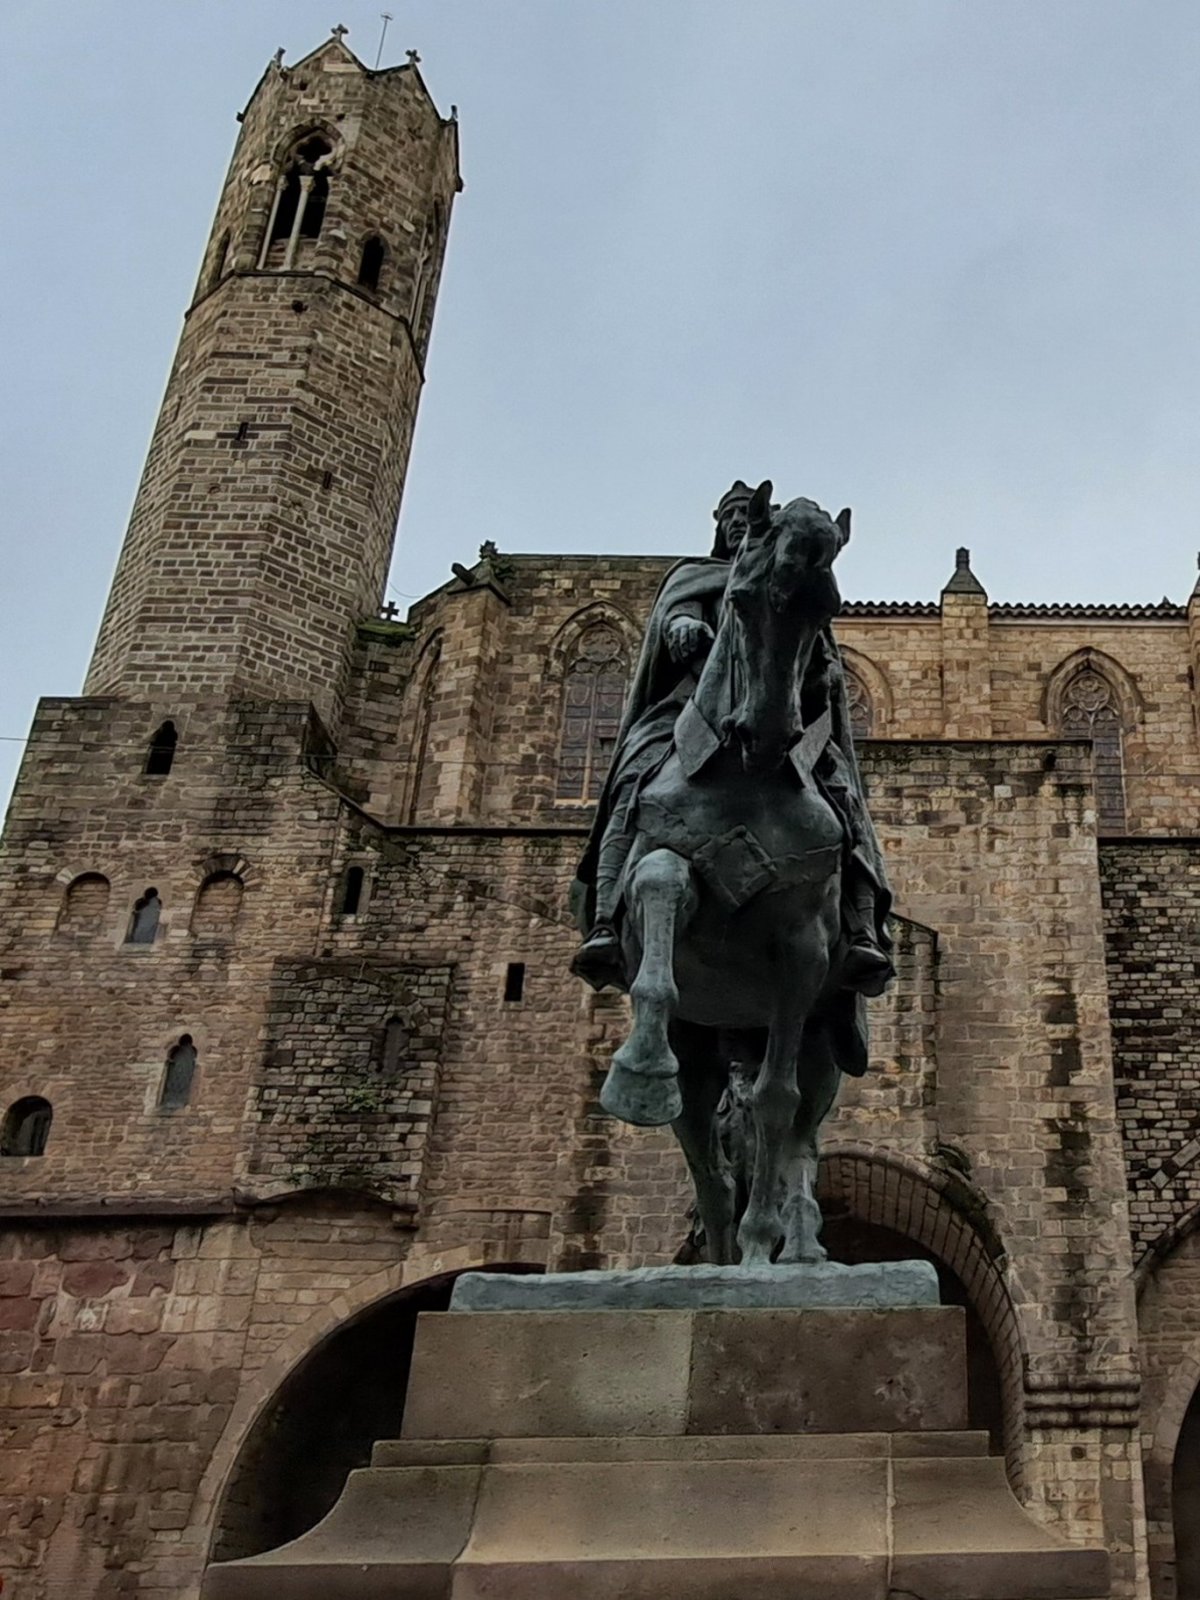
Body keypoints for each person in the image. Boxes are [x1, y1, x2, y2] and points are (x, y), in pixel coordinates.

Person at [571, 480, 893, 1002]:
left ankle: (861, 930)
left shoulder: (793, 580)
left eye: (747, 513)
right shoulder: (695, 577)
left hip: (786, 714)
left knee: (843, 794)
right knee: (633, 775)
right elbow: (673, 615)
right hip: (687, 710)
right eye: (731, 515)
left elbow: (815, 650)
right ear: (719, 526)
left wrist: (827, 673)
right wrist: (681, 626)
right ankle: (607, 919)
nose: (739, 521)